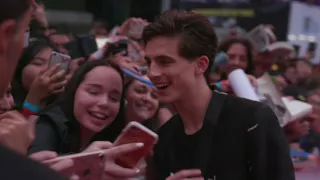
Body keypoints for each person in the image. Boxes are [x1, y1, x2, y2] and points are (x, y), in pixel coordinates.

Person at [0, 0, 144, 179]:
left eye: (114, 98)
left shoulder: (112, 135)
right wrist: (83, 162)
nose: (103, 103)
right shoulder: (48, 125)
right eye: (93, 92)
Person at [143, 10, 294, 180]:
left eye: (164, 62)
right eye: (149, 62)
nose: (152, 72)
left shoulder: (253, 120)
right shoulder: (164, 139)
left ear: (201, 65)